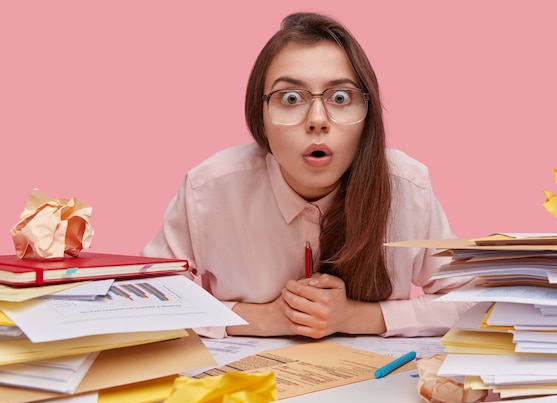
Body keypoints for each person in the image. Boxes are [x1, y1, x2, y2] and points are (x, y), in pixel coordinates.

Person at [142, 11, 474, 339]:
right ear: (261, 117)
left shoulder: (407, 187)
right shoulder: (208, 190)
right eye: (290, 98)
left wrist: (356, 316)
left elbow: (473, 300)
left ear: (367, 114)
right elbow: (148, 299)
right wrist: (260, 319)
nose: (317, 119)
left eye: (340, 97)